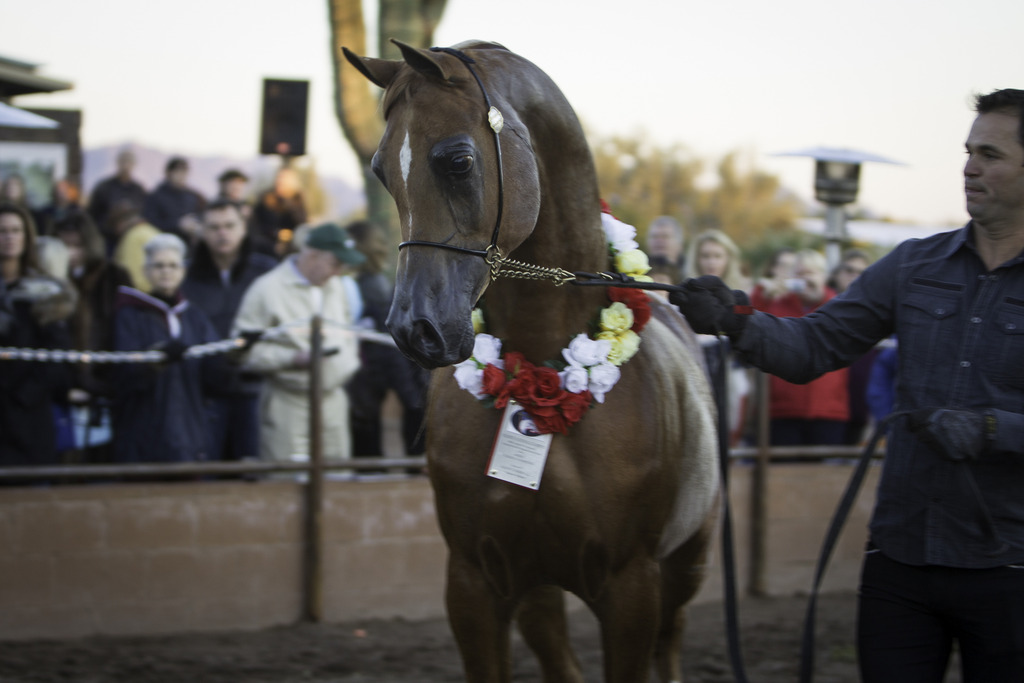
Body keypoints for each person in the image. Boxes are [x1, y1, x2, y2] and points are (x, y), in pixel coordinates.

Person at [669, 88, 1024, 681]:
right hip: (901, 559)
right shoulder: (914, 265)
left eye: (990, 154)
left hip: (1010, 566)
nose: (969, 167)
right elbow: (815, 345)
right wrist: (735, 320)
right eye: (967, 151)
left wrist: (993, 428)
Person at [231, 222, 364, 467]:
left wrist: (349, 360)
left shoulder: (336, 288)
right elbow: (242, 351)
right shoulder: (266, 289)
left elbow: (347, 330)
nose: (338, 272)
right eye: (335, 264)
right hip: (288, 405)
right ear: (312, 256)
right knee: (288, 486)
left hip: (334, 402)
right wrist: (291, 359)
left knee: (339, 483)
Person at [112, 233, 220, 463]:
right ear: (146, 271)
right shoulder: (130, 315)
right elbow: (124, 373)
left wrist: (235, 356)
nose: (166, 271)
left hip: (191, 432)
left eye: (173, 265)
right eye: (159, 265)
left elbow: (214, 375)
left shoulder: (195, 317)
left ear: (183, 271)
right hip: (143, 432)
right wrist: (155, 360)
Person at [182, 199, 276, 461]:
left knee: (254, 470)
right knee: (208, 473)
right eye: (214, 227)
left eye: (229, 225)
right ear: (202, 232)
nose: (222, 233)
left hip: (256, 388)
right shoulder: (186, 276)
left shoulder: (266, 271)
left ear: (242, 228)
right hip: (204, 393)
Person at [343, 221, 429, 459]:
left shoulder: (371, 287)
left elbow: (387, 346)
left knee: (369, 445)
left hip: (371, 376)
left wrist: (409, 394)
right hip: (386, 377)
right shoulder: (376, 282)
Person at [52, 211, 133, 462]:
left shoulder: (114, 277)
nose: (71, 254)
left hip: (105, 387)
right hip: (62, 390)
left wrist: (103, 385)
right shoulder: (50, 281)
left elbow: (125, 333)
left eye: (77, 246)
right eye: (64, 246)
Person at [0, 202, 73, 468]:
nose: (9, 237)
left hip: (28, 417)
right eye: (3, 231)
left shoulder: (44, 293)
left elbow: (57, 354)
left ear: (27, 237)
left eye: (16, 230)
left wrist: (25, 395)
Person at [683, 228, 751, 446]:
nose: (711, 262)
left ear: (728, 259)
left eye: (717, 256)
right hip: (693, 368)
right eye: (705, 256)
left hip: (731, 370)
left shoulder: (743, 291)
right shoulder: (684, 292)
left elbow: (750, 319)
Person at [829, 248, 879, 445]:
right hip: (828, 406)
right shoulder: (822, 302)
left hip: (861, 402)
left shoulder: (878, 310)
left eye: (861, 272)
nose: (854, 275)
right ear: (836, 273)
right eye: (849, 269)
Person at [86, 148, 148, 248]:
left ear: (134, 165)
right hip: (108, 239)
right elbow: (92, 215)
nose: (126, 166)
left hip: (133, 239)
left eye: (129, 162)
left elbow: (144, 214)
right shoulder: (104, 187)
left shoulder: (138, 189)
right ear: (118, 163)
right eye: (123, 161)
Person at [142, 156, 206, 247]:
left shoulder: (192, 196)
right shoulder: (155, 196)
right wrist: (178, 224)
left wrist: (195, 225)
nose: (182, 175)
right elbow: (150, 222)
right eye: (178, 171)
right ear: (169, 173)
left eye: (185, 172)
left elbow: (200, 215)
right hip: (163, 245)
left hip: (189, 245)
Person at [249, 167, 308, 258]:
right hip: (266, 246)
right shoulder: (266, 199)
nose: (280, 181)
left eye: (284, 179)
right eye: (279, 178)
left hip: (290, 248)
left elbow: (302, 226)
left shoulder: (297, 202)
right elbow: (257, 225)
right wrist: (276, 233)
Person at [109, 200, 162, 292]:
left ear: (120, 223)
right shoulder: (153, 230)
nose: (115, 232)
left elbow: (131, 277)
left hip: (141, 297)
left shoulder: (132, 237)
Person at [644, 215, 686, 281]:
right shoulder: (637, 274)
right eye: (655, 237)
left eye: (665, 236)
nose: (659, 241)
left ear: (680, 245)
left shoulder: (690, 275)